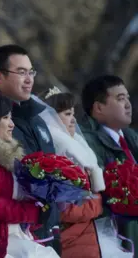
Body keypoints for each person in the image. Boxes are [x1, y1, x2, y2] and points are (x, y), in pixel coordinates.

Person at [0, 95, 59, 258]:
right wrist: (31, 212)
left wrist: (41, 205)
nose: (12, 124)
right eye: (6, 118)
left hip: (20, 234)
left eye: (11, 118)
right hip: (2, 239)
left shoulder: (10, 155)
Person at [0, 44, 60, 252]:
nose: (29, 79)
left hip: (49, 228)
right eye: (21, 72)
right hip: (14, 233)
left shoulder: (38, 119)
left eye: (31, 72)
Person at [37, 89, 104, 258]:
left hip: (88, 237)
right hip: (70, 241)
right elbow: (64, 210)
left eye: (73, 113)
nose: (74, 119)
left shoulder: (78, 148)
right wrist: (96, 204)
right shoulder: (53, 155)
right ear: (50, 118)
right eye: (67, 114)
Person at [81, 75, 138, 255]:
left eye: (127, 97)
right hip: (114, 229)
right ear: (99, 108)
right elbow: (104, 190)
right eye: (120, 99)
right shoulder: (88, 141)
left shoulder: (130, 137)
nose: (128, 104)